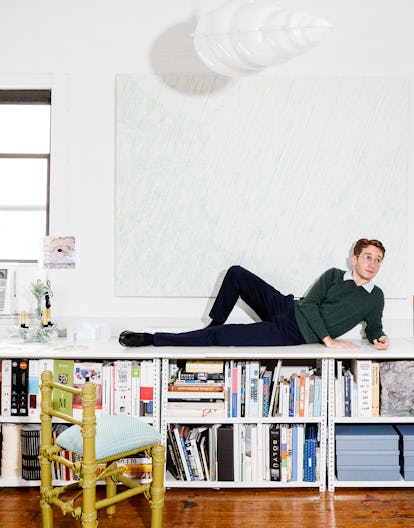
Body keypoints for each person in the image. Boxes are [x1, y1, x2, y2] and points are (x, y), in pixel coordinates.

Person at [119, 238, 389, 350]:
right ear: (354, 259)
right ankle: (214, 326)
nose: (372, 264)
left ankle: (152, 338)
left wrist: (381, 338)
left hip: (292, 334)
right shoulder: (333, 275)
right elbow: (309, 306)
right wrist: (329, 340)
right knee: (236, 273)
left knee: (221, 338)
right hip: (287, 307)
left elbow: (374, 326)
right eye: (368, 257)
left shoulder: (375, 297)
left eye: (378, 260)